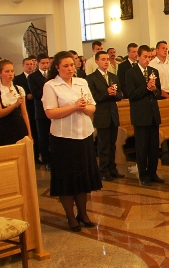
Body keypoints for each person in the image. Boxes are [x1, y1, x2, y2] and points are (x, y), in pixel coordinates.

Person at [42, 51, 100, 232]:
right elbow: (50, 113)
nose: (70, 69)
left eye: (72, 65)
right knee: (67, 179)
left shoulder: (81, 82)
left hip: (84, 135)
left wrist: (84, 108)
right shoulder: (51, 86)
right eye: (65, 66)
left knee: (83, 177)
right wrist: (74, 107)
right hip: (63, 138)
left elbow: (92, 107)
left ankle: (83, 213)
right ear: (57, 67)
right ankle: (70, 216)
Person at [124, 45, 164, 186]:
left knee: (154, 146)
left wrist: (154, 89)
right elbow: (131, 94)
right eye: (145, 57)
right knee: (142, 147)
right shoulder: (131, 73)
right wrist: (146, 88)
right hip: (140, 115)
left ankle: (153, 173)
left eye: (149, 57)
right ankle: (143, 174)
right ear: (138, 57)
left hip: (153, 114)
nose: (148, 60)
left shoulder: (153, 71)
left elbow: (158, 93)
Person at [88, 51, 124, 181]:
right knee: (103, 145)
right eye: (103, 59)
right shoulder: (91, 78)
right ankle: (103, 170)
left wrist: (115, 94)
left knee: (112, 144)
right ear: (97, 61)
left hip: (113, 114)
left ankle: (112, 168)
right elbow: (93, 97)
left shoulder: (113, 77)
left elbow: (120, 95)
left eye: (107, 59)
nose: (106, 62)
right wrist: (107, 93)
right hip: (102, 114)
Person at [0, 60, 31, 146]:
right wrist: (15, 104)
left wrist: (29, 133)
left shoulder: (19, 89)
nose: (10, 74)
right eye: (7, 71)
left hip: (19, 126)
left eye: (12, 71)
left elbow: (24, 113)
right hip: (4, 128)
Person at [29, 54, 52, 168]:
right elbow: (36, 94)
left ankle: (55, 158)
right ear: (37, 63)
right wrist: (48, 88)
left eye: (47, 63)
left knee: (54, 136)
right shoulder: (32, 77)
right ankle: (46, 160)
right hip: (41, 111)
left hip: (53, 108)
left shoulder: (52, 75)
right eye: (43, 63)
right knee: (43, 137)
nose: (45, 65)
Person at [13, 57, 38, 160]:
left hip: (35, 108)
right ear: (23, 66)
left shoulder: (36, 77)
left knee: (36, 133)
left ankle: (36, 156)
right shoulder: (17, 79)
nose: (29, 66)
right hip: (25, 107)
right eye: (27, 64)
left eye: (31, 64)